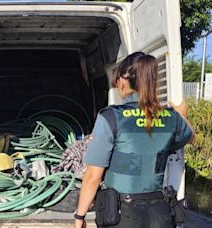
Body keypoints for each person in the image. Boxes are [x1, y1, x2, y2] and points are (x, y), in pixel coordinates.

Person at [74, 52, 195, 228]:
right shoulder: (171, 118)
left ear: (123, 79)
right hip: (160, 214)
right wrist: (181, 115)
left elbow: (93, 176)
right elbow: (191, 137)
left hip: (122, 215)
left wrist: (80, 217)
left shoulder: (111, 117)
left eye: (117, 78)